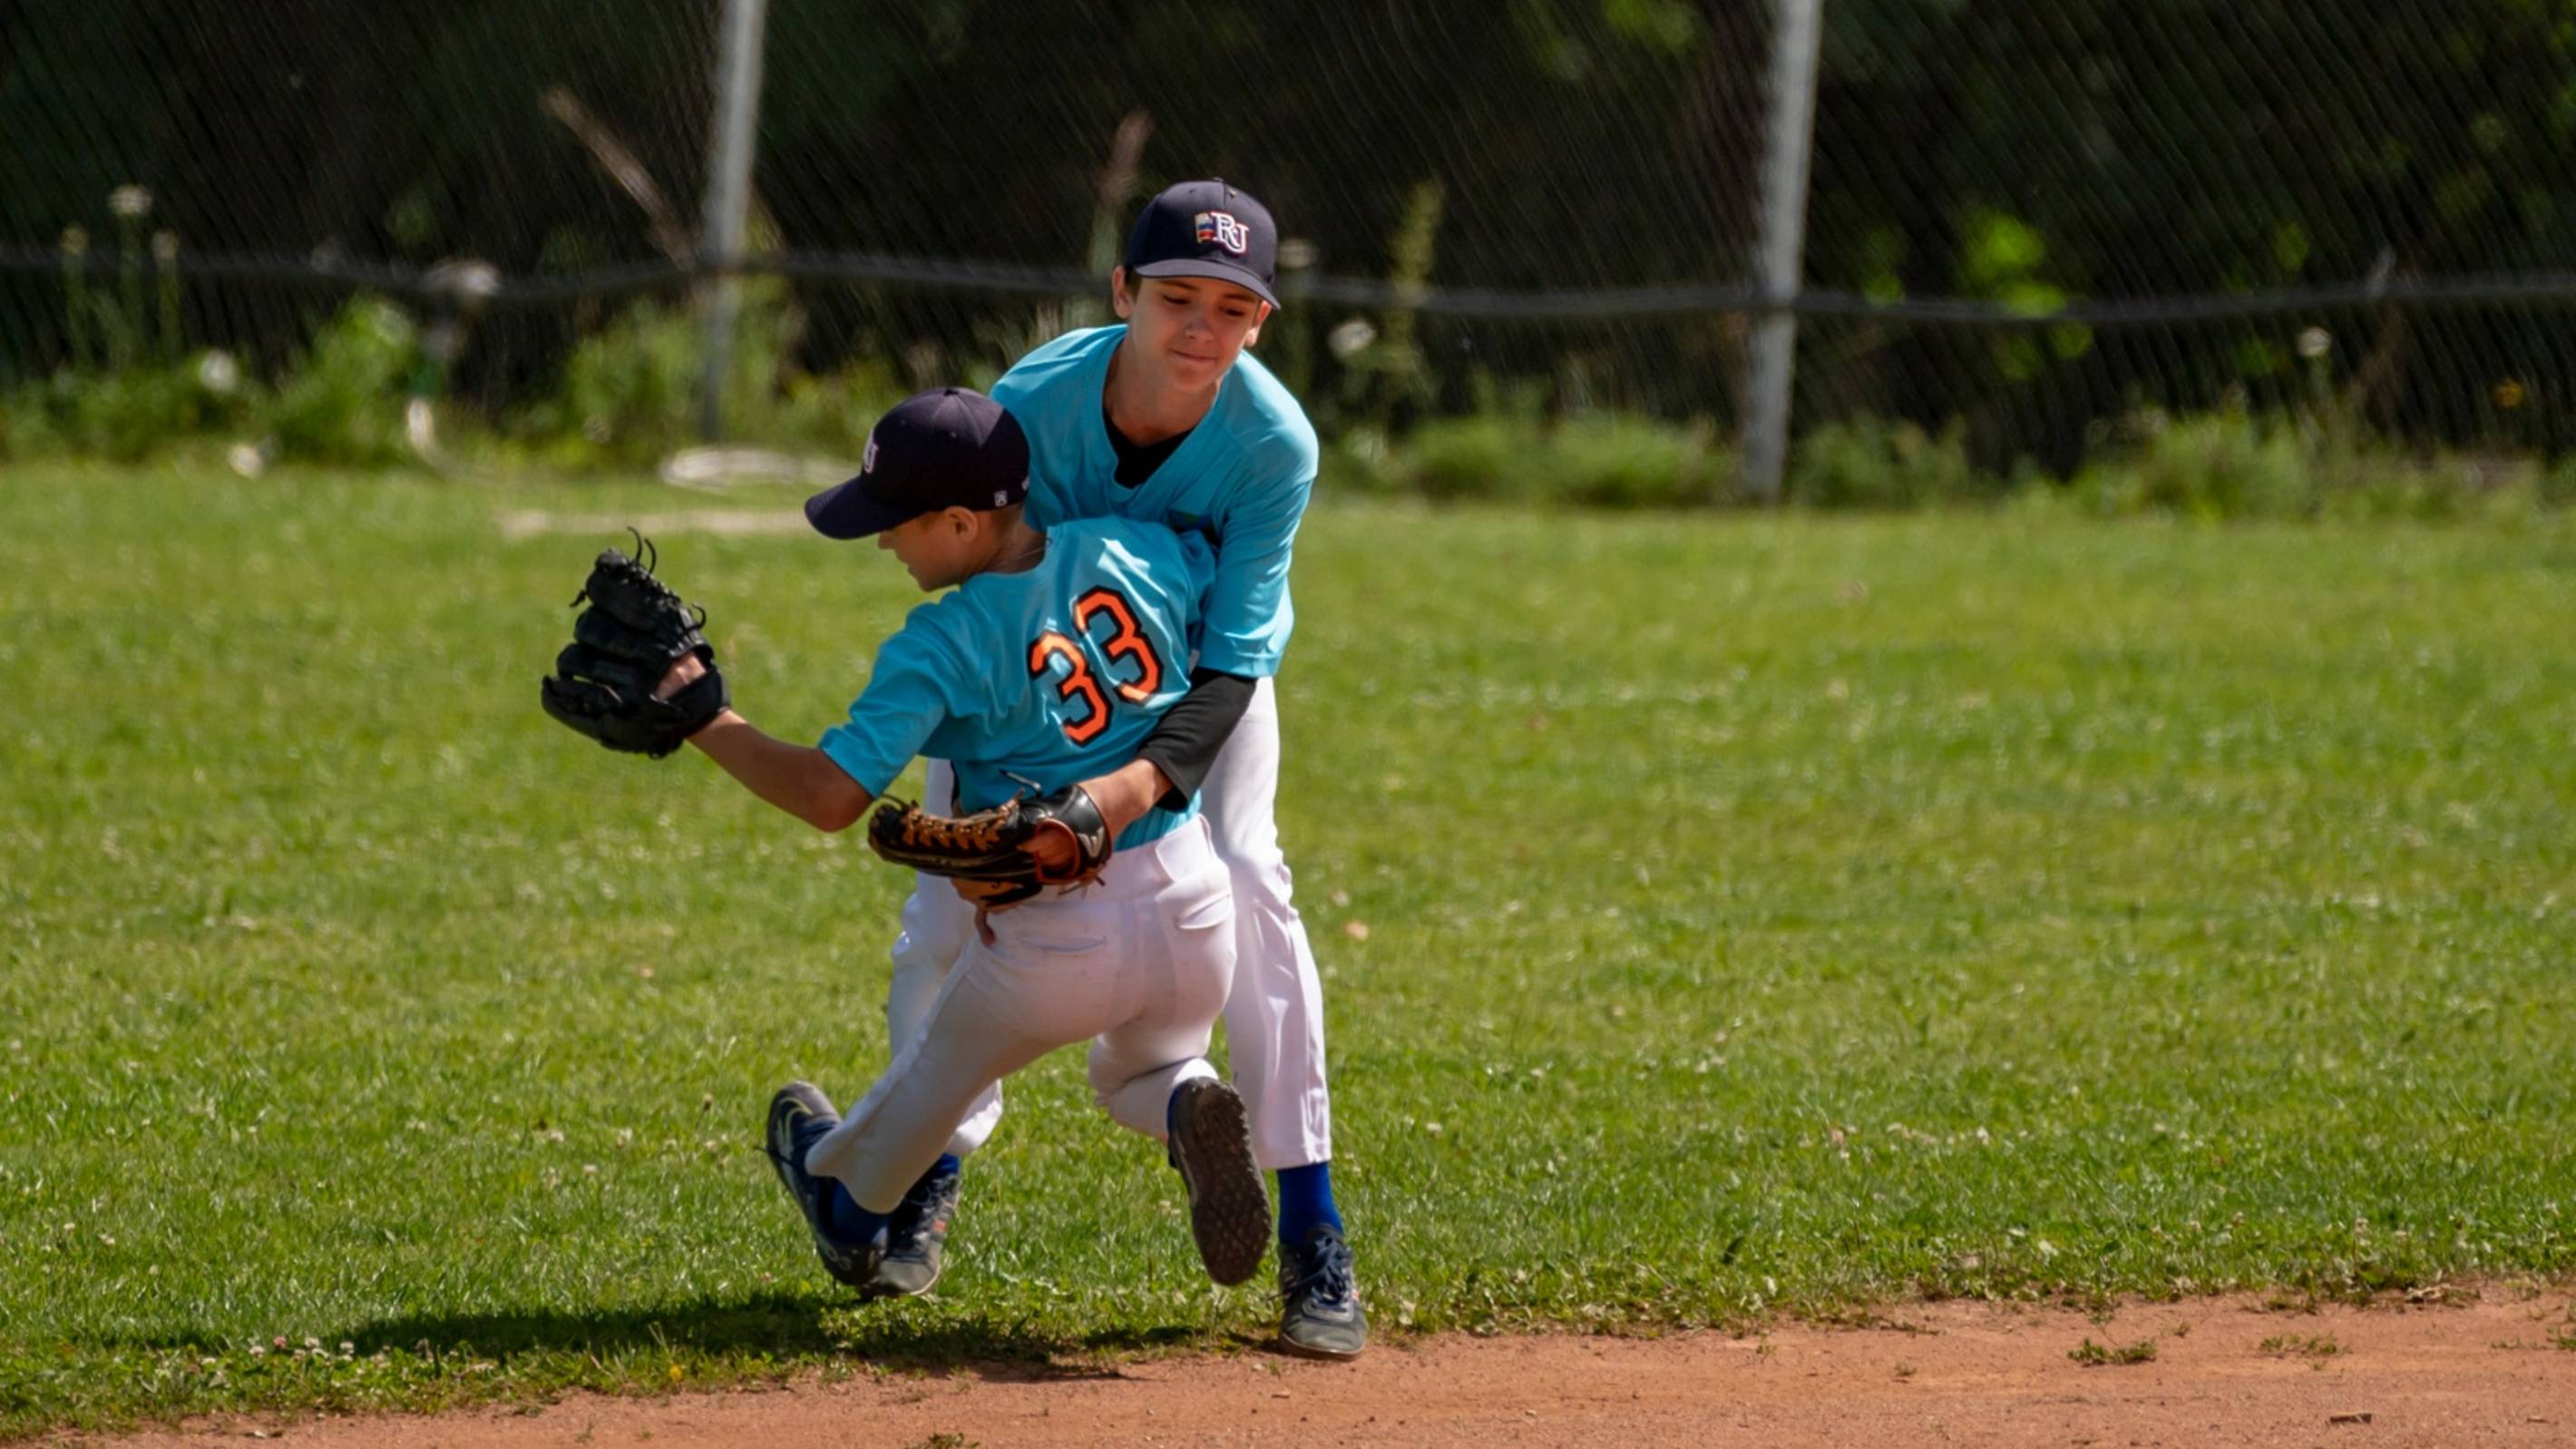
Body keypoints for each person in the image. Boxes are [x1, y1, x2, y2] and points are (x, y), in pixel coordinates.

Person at [876, 179, 1365, 1357]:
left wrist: (1129, 796)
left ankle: (1314, 1233)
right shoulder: (1033, 407)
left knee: (1253, 877)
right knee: (950, 907)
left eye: (1234, 308)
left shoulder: (1272, 443)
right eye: (1177, 298)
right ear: (1122, 293)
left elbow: (1237, 658)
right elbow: (988, 595)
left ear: (1263, 321)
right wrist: (1013, 789)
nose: (1203, 329)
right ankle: (910, 1180)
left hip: (1203, 693)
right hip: (1036, 688)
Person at [659, 386, 1273, 1293]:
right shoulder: (1134, 544)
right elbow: (1222, 602)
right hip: (1191, 902)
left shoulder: (940, 642)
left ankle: (841, 1193)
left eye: (895, 522)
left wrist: (705, 717)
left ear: (956, 524)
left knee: (902, 1126)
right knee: (1143, 1070)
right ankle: (1187, 1098)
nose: (881, 540)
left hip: (1053, 938)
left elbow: (833, 796)